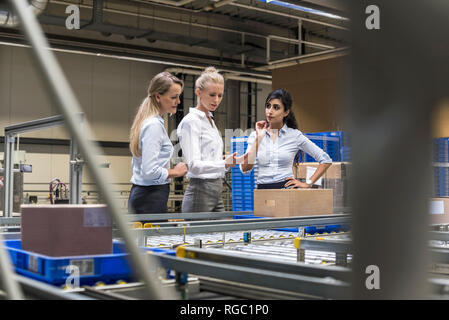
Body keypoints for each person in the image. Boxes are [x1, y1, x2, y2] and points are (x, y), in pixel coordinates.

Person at [239, 88, 332, 189]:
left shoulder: (295, 136)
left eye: (276, 107)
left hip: (286, 189)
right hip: (262, 190)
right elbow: (245, 168)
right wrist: (258, 139)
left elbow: (325, 160)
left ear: (286, 112)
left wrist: (307, 183)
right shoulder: (256, 135)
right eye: (268, 106)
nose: (270, 111)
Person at [177, 67, 237, 212]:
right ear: (198, 92)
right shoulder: (191, 121)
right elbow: (194, 165)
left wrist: (225, 161)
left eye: (220, 95)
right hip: (200, 191)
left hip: (217, 188)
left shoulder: (210, 120)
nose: (216, 100)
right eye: (212, 95)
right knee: (200, 235)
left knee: (222, 234)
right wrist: (223, 163)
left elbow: (208, 157)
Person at [128, 72, 188, 214]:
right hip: (150, 196)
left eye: (178, 97)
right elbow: (149, 171)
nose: (178, 101)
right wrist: (175, 172)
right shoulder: (153, 126)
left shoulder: (151, 122)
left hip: (147, 194)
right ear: (158, 97)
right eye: (173, 97)